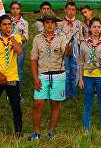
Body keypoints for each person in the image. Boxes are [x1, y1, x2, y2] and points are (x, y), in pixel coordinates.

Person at [28, 11, 71, 141]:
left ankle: (51, 131)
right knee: (38, 103)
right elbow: (33, 59)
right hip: (42, 75)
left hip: (58, 75)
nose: (50, 25)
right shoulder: (37, 39)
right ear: (43, 24)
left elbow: (67, 54)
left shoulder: (62, 37)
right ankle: (37, 132)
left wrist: (68, 49)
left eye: (52, 22)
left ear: (55, 24)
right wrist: (35, 78)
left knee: (55, 103)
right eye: (47, 22)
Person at [0, 15, 24, 137]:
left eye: (9, 24)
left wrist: (12, 36)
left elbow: (19, 51)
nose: (7, 27)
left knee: (16, 105)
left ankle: (18, 131)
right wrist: (0, 74)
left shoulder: (16, 37)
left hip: (12, 77)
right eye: (4, 24)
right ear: (0, 26)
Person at [78, 18, 101, 133]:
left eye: (99, 27)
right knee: (88, 104)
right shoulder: (84, 44)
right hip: (87, 76)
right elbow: (80, 62)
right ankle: (86, 129)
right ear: (89, 28)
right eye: (94, 27)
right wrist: (80, 79)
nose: (96, 29)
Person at [59, 1, 83, 100]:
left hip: (75, 50)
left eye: (73, 10)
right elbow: (58, 37)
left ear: (75, 11)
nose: (71, 12)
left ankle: (74, 93)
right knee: (66, 72)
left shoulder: (78, 23)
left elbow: (81, 38)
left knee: (74, 71)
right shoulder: (61, 23)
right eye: (69, 9)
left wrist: (80, 52)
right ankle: (66, 94)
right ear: (65, 10)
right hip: (65, 49)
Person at [10, 1, 29, 100]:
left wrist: (15, 39)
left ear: (20, 10)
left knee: (19, 71)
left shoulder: (24, 22)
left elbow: (26, 37)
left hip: (20, 48)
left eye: (17, 8)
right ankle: (10, 93)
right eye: (13, 8)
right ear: (10, 10)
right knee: (8, 70)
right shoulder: (6, 21)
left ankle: (17, 93)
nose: (15, 10)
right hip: (7, 48)